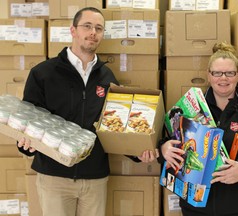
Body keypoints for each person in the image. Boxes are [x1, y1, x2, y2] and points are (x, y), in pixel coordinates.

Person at [17, 7, 156, 216]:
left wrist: (138, 151)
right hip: (55, 177)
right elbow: (28, 120)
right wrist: (26, 145)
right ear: (73, 30)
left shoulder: (107, 78)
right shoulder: (43, 73)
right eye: (87, 26)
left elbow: (115, 125)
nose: (93, 32)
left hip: (95, 178)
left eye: (99, 28)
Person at [158, 42, 238, 216]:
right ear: (209, 75)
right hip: (196, 208)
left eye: (230, 73)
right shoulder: (191, 109)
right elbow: (174, 140)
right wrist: (164, 148)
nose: (223, 78)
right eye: (217, 73)